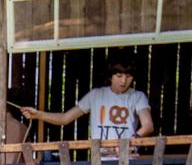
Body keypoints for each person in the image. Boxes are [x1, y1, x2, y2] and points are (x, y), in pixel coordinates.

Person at [22, 59, 154, 145]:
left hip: (128, 158)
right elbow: (64, 118)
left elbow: (148, 126)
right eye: (119, 76)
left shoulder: (138, 97)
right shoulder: (96, 95)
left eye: (128, 76)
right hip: (99, 158)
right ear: (110, 76)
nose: (124, 81)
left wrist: (130, 142)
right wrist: (38, 114)